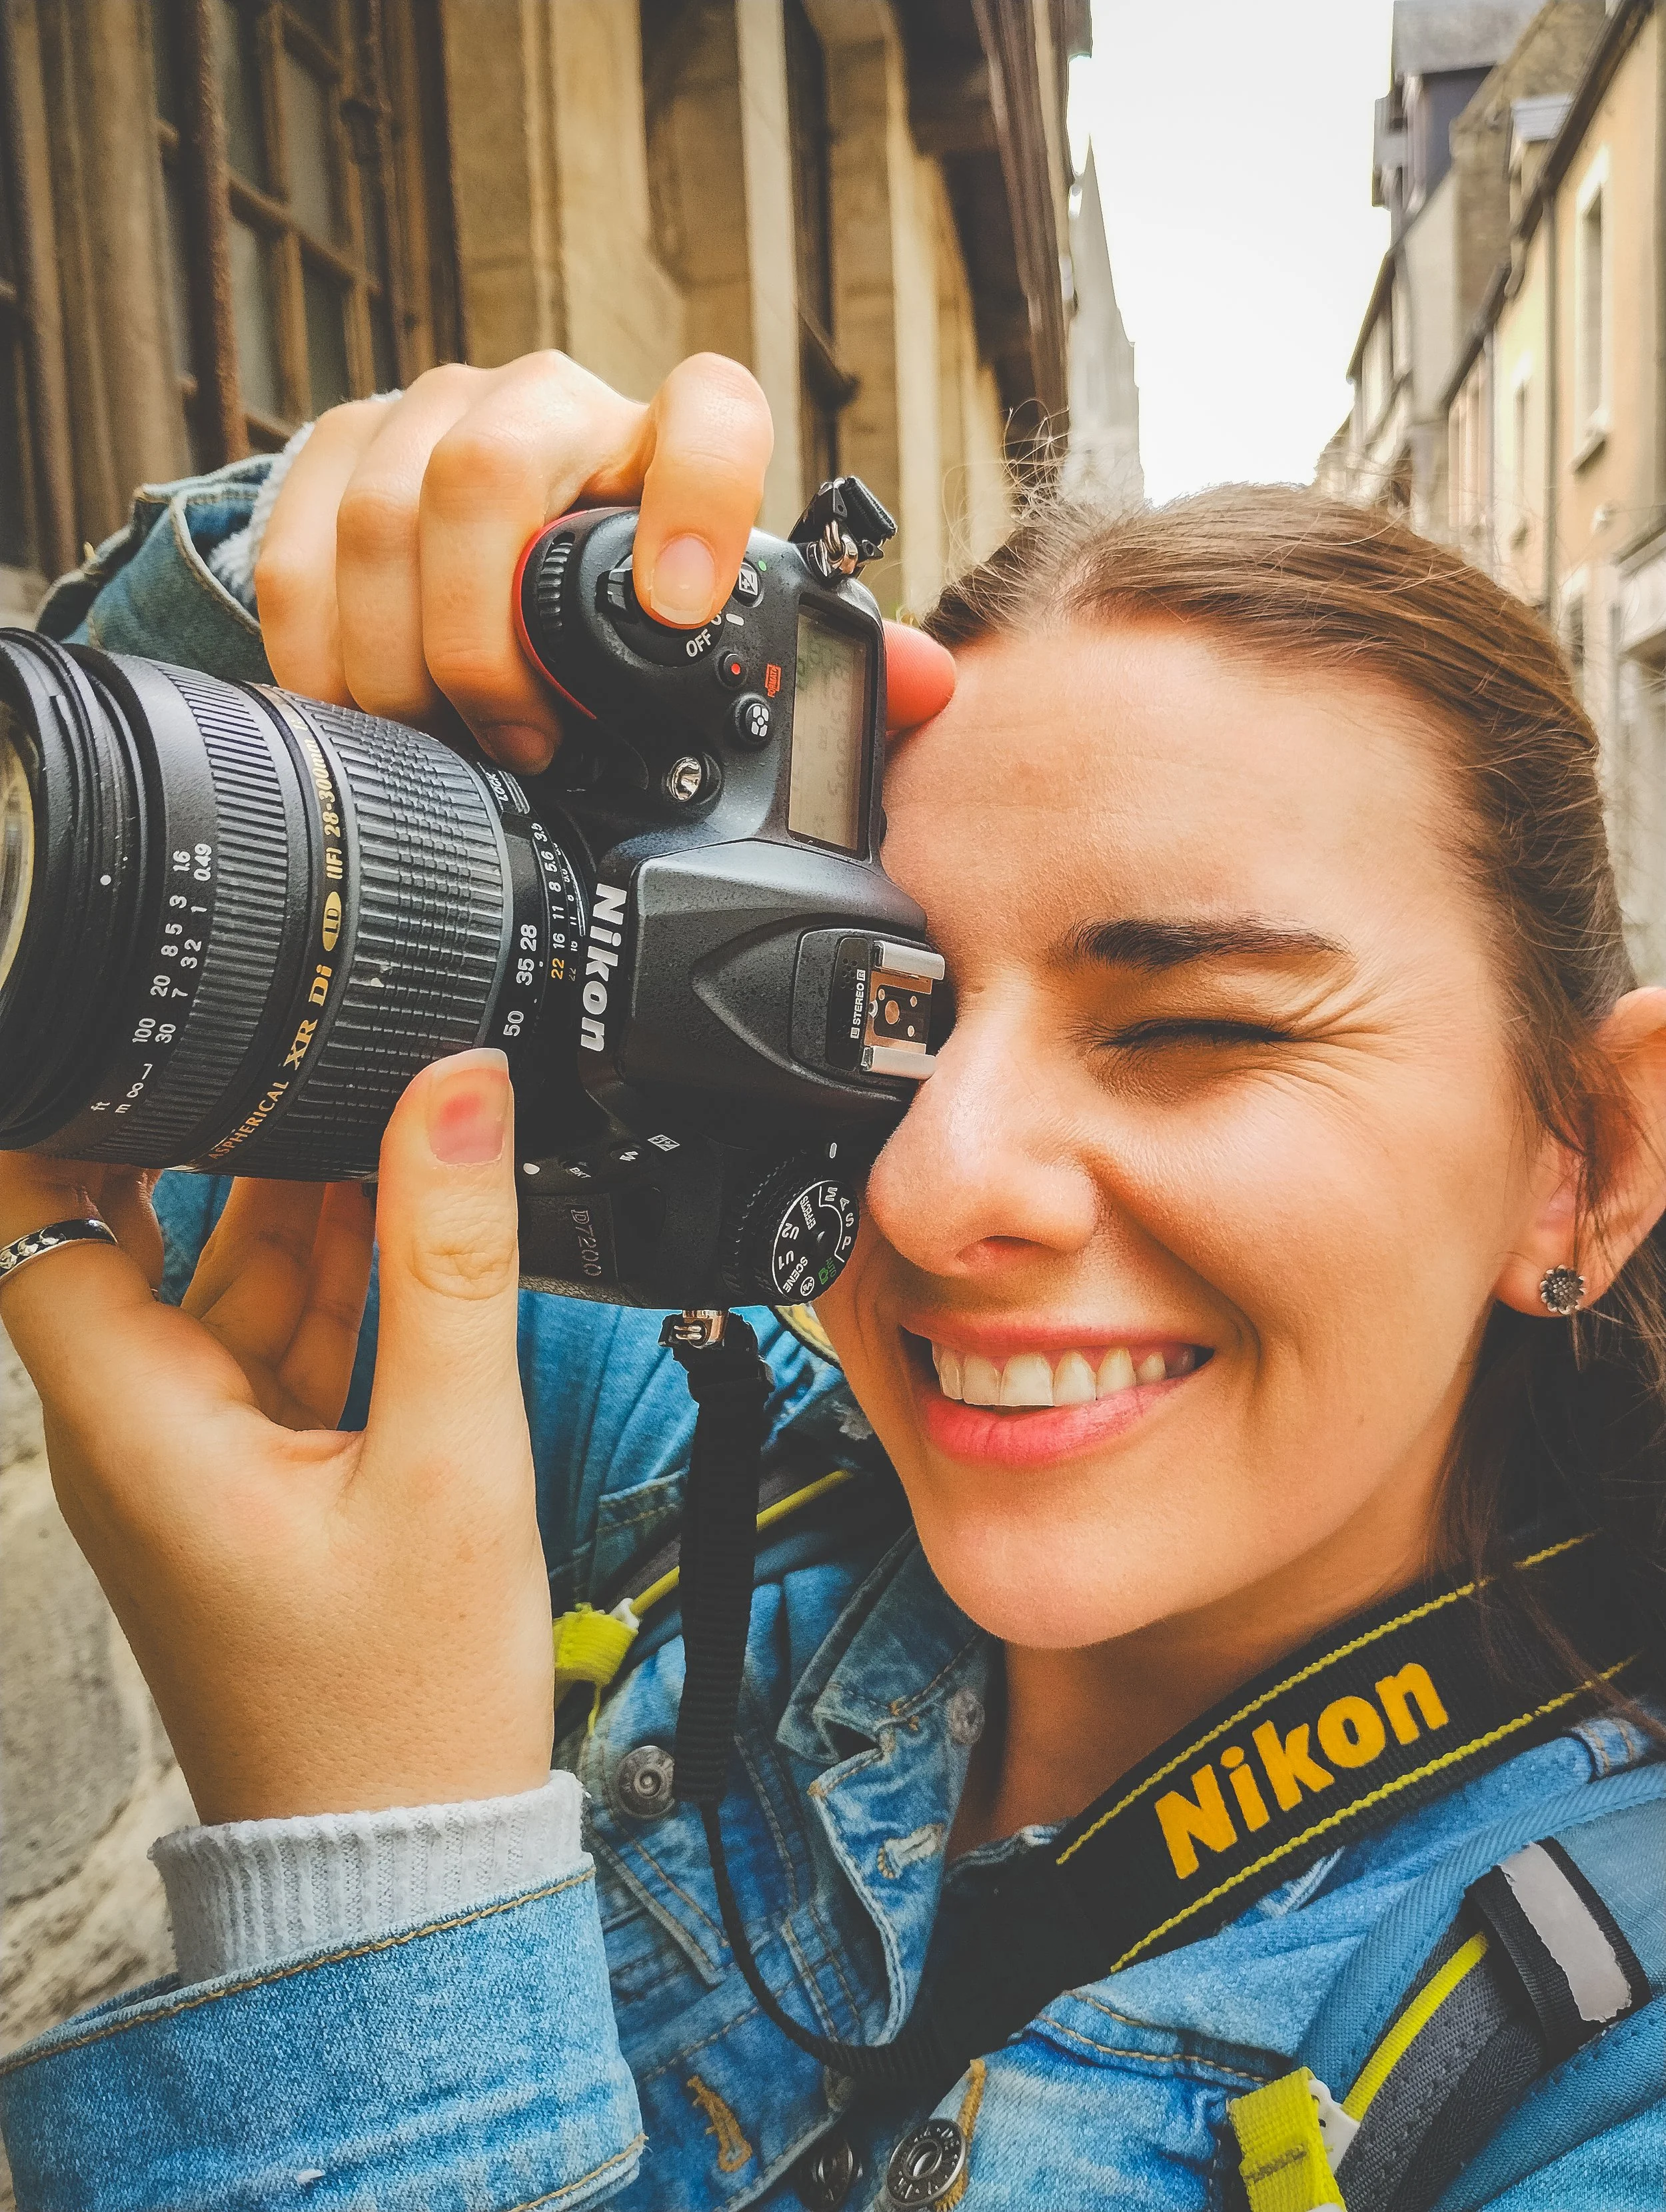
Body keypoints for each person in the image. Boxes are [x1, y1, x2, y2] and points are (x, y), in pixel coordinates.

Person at [0, 348, 1661, 2212]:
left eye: (1191, 1026)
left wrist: (375, 1888)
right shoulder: (688, 1442)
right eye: (886, 1014)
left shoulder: (1599, 2080)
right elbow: (84, 931)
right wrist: (310, 579)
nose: (935, 1187)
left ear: (1581, 1160)